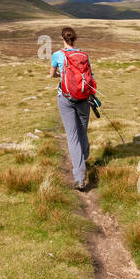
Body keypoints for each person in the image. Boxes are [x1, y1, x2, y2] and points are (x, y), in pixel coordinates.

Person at [49, 26, 93, 190]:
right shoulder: (84, 56)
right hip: (84, 98)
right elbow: (90, 77)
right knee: (82, 133)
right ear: (75, 39)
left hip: (65, 98)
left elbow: (51, 74)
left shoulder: (57, 55)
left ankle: (80, 177)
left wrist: (62, 75)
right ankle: (83, 159)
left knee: (73, 137)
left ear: (62, 39)